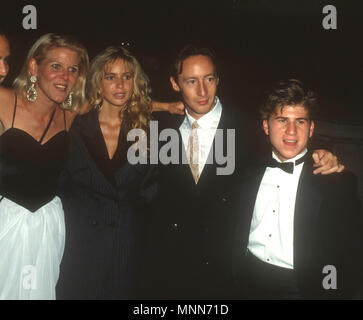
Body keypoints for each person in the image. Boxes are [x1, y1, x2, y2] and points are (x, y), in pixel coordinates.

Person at [145, 46, 344, 299]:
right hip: (173, 274)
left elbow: (288, 144)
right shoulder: (162, 129)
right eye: (191, 81)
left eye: (209, 79)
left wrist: (322, 154)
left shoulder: (249, 129)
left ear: (218, 80)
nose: (202, 91)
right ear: (175, 84)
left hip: (227, 278)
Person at [233, 79, 363, 299]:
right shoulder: (244, 171)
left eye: (300, 121)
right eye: (282, 120)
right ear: (266, 125)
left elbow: (350, 257)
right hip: (245, 281)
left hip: (302, 288)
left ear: (311, 128)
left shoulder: (338, 182)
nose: (291, 131)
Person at [56, 46, 157, 299]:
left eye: (127, 76)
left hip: (126, 250)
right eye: (110, 77)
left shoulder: (149, 131)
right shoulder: (74, 126)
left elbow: (151, 195)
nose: (120, 84)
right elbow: (60, 187)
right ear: (98, 83)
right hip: (79, 248)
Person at [0, 33, 89, 299]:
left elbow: (116, 101)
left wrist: (165, 105)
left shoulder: (71, 112)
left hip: (46, 225)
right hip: (6, 221)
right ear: (34, 67)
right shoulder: (6, 101)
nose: (65, 77)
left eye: (73, 69)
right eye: (56, 66)